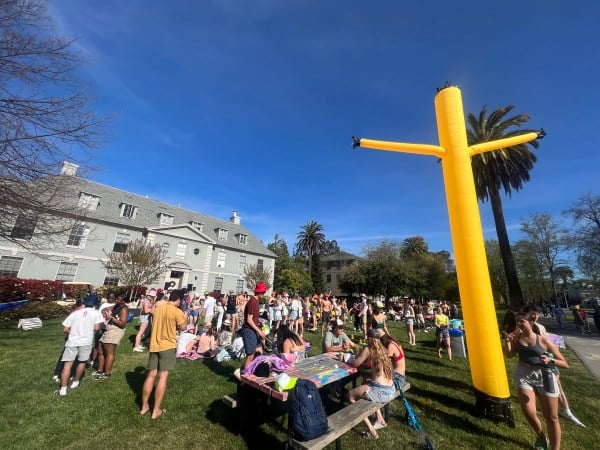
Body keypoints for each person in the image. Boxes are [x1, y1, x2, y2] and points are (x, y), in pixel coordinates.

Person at [504, 312, 569, 450]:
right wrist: (508, 342)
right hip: (524, 373)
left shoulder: (544, 341)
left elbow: (565, 363)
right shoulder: (517, 337)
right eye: (517, 322)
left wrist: (551, 360)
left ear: (531, 323)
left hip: (544, 375)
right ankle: (541, 436)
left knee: (551, 417)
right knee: (528, 411)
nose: (518, 324)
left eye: (521, 321)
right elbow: (509, 355)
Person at [526, 306, 584, 427]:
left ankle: (566, 411)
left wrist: (552, 353)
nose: (535, 316)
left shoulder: (541, 327)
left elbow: (547, 343)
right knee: (538, 390)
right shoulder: (523, 329)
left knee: (557, 385)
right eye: (532, 314)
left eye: (536, 314)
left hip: (547, 361)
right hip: (532, 366)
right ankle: (545, 408)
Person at [140, 289, 187, 419]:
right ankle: (156, 410)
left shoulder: (158, 308)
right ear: (179, 300)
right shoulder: (177, 312)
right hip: (168, 345)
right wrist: (185, 318)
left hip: (155, 344)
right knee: (162, 377)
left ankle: (144, 406)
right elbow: (183, 327)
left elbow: (152, 310)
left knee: (150, 376)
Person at [349, 328, 396, 439]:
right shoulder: (384, 349)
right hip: (390, 389)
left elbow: (355, 363)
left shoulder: (368, 348)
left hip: (380, 392)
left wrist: (358, 355)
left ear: (368, 338)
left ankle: (372, 431)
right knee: (366, 382)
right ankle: (380, 419)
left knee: (351, 395)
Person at [55, 294, 104, 396]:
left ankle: (63, 388)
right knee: (82, 362)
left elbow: (65, 329)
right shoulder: (96, 313)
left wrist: (70, 334)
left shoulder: (75, 313)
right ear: (95, 304)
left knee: (67, 364)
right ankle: (76, 381)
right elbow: (96, 328)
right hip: (86, 341)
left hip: (72, 341)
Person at [233, 282, 267, 380]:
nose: (264, 295)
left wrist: (258, 323)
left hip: (254, 330)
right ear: (260, 293)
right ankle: (244, 376)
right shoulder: (252, 302)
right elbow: (248, 319)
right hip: (249, 330)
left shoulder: (256, 302)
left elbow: (253, 318)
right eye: (263, 292)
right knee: (251, 354)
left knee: (259, 352)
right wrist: (259, 331)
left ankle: (247, 371)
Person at [95, 294, 129, 379]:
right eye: (116, 299)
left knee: (109, 352)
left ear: (123, 302)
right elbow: (105, 309)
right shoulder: (116, 306)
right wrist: (104, 310)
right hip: (109, 328)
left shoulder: (124, 309)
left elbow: (122, 324)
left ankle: (107, 373)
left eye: (118, 299)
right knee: (100, 349)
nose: (116, 300)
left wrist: (111, 318)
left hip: (115, 330)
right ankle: (100, 371)